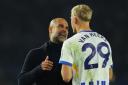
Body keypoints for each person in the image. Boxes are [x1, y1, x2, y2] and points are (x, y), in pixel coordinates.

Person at [59, 4, 113, 85]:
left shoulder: (70, 43)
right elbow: (109, 75)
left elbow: (66, 77)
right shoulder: (104, 40)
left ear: (74, 19)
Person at [18, 18, 71, 85]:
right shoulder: (36, 53)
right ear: (50, 29)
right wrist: (40, 68)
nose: (64, 30)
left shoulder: (71, 53)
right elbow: (21, 81)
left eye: (67, 28)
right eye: (60, 26)